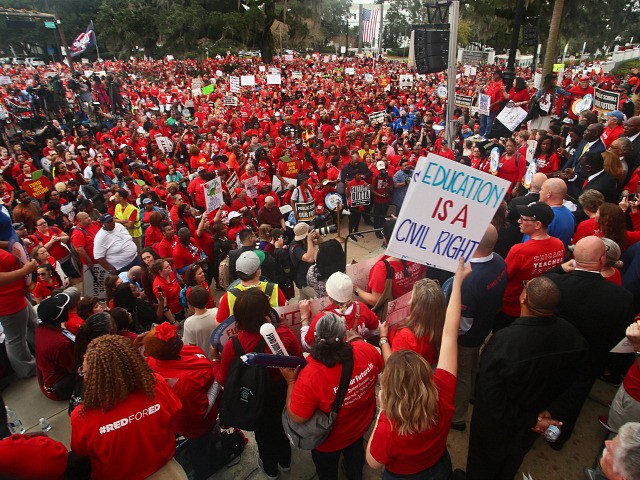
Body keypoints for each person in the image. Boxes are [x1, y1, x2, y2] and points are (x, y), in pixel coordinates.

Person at [464, 276, 591, 480]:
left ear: (523, 297)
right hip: (533, 422)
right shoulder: (572, 334)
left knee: (482, 465)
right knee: (512, 460)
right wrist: (549, 413)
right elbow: (582, 380)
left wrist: (535, 419)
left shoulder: (504, 343)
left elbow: (489, 396)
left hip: (497, 427)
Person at [366, 258, 471, 479]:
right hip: (439, 465)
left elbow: (372, 461)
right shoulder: (442, 392)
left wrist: (384, 340)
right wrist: (458, 282)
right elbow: (451, 332)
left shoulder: (391, 425)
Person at [543, 236, 635, 448]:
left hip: (550, 355)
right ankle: (556, 438)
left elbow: (541, 282)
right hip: (588, 363)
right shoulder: (621, 297)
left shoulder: (555, 282)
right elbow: (617, 339)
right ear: (603, 259)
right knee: (572, 404)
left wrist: (559, 269)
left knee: (543, 392)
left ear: (574, 257)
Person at [281, 313, 384, 480]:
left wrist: (291, 381)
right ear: (344, 337)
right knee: (355, 462)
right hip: (360, 427)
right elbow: (379, 368)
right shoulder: (366, 350)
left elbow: (297, 417)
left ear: (315, 338)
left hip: (329, 441)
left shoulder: (310, 375)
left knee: (327, 472)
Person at [70, 335, 186, 479]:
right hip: (167, 472)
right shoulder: (156, 386)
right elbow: (175, 413)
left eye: (85, 372)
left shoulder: (82, 416)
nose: (84, 377)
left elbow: (80, 450)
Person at [215, 288, 302, 480]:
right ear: (266, 311)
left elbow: (223, 378)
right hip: (280, 392)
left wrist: (215, 362)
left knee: (263, 436)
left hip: (255, 399)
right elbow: (298, 361)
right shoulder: (284, 335)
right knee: (281, 429)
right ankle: (286, 461)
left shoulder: (233, 344)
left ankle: (270, 470)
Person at [446, 225, 508, 431]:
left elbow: (462, 324)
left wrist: (448, 339)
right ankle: (473, 393)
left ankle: (458, 418)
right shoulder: (499, 260)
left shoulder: (469, 278)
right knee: (473, 365)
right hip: (484, 327)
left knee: (461, 376)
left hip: (467, 337)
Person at [144, 322, 222, 480]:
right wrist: (217, 377)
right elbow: (202, 411)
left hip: (188, 413)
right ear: (173, 348)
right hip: (196, 425)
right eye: (174, 338)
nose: (178, 337)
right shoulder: (184, 383)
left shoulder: (156, 359)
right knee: (200, 450)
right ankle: (203, 472)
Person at [495, 202, 565, 331]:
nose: (518, 221)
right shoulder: (559, 245)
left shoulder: (520, 250)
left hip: (512, 308)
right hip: (540, 308)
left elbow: (503, 277)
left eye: (523, 219)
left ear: (538, 224)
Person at [359, 219, 427, 320]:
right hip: (414, 310)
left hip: (392, 319)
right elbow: (422, 278)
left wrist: (356, 290)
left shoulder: (382, 268)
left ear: (386, 240)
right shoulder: (419, 255)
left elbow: (375, 300)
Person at [300, 272, 380, 350]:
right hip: (357, 354)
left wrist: (304, 318)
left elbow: (307, 345)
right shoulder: (362, 308)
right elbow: (377, 329)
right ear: (351, 291)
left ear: (328, 294)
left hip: (333, 360)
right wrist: (357, 334)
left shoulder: (321, 319)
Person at [216, 251, 287, 322]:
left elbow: (219, 324)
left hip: (242, 332)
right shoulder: (274, 289)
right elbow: (286, 315)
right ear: (258, 272)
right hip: (270, 331)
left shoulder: (228, 296)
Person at [0, 251, 38, 378]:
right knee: (16, 338)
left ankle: (41, 352)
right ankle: (27, 369)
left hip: (17, 293)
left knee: (33, 323)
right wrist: (24, 271)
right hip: (6, 300)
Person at [35, 291, 78, 401]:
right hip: (59, 388)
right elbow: (73, 369)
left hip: (48, 378)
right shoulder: (60, 343)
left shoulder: (42, 328)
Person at [183, 286, 219, 359]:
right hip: (219, 354)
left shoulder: (189, 323)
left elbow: (190, 346)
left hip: (203, 359)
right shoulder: (217, 311)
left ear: (190, 303)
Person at [289, 222, 319, 300]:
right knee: (320, 298)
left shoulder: (303, 242)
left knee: (303, 300)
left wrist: (318, 237)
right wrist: (309, 240)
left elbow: (321, 242)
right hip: (304, 281)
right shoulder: (295, 247)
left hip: (309, 277)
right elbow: (310, 259)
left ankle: (300, 311)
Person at [151, 259, 185, 324]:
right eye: (166, 267)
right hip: (174, 314)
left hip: (181, 306)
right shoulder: (159, 286)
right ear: (159, 271)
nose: (170, 267)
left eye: (169, 265)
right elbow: (164, 307)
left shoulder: (171, 273)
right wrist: (174, 322)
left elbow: (178, 287)